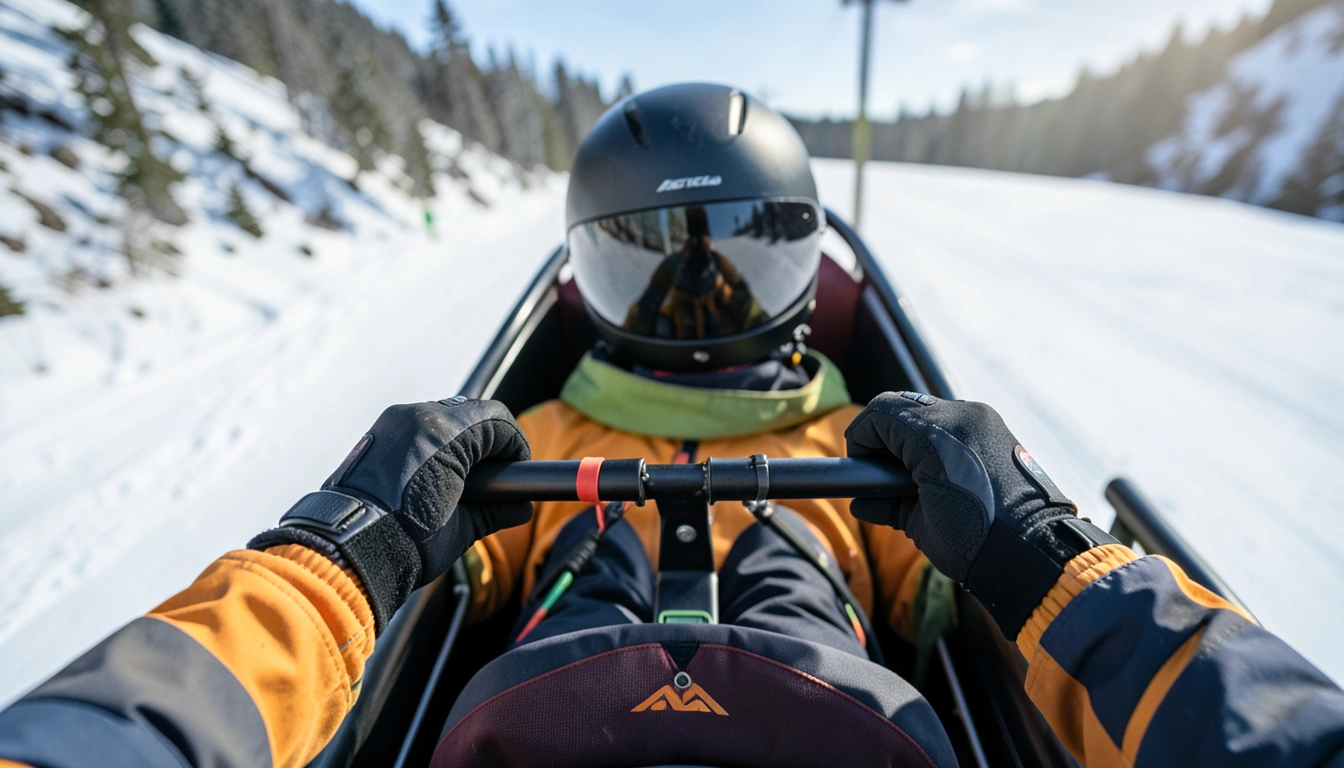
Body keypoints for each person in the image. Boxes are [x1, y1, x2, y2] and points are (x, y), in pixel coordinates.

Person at [1, 85, 1341, 767]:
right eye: (659, 264)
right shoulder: (526, 437)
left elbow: (944, 608)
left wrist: (337, 554)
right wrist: (1046, 566)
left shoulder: (860, 444)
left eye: (740, 259)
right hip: (778, 710)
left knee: (696, 567)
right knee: (670, 567)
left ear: (798, 263)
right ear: (594, 274)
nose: (701, 304)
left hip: (617, 708)